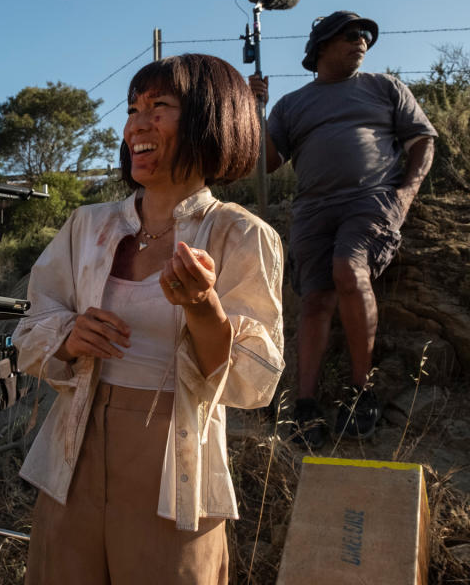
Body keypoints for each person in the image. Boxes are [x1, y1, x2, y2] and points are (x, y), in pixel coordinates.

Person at [14, 54, 284, 584]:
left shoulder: (241, 234)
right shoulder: (86, 225)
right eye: (134, 108)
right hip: (75, 452)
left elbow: (256, 380)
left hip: (175, 465)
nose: (137, 123)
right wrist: (69, 338)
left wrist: (205, 310)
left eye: (159, 107)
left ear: (213, 118)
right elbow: (29, 327)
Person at [249, 11, 436, 448]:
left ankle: (360, 391)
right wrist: (250, 110)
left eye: (366, 35)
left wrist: (404, 194)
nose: (363, 41)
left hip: (371, 199)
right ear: (320, 49)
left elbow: (422, 141)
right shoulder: (292, 104)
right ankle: (306, 405)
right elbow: (268, 162)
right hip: (312, 208)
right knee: (313, 300)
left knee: (348, 270)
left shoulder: (384, 87)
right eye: (350, 35)